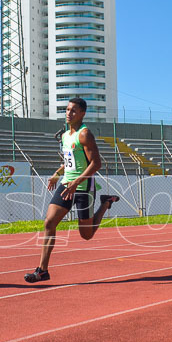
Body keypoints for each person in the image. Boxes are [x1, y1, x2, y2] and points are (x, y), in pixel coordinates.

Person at [24, 97, 119, 283]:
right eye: (67, 110)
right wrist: (57, 173)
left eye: (73, 110)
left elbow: (96, 163)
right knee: (49, 223)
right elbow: (69, 160)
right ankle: (42, 270)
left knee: (87, 235)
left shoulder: (85, 135)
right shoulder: (65, 136)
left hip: (83, 188)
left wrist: (77, 182)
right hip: (67, 184)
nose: (69, 113)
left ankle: (106, 203)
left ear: (82, 113)